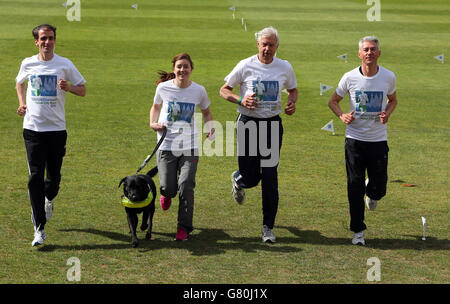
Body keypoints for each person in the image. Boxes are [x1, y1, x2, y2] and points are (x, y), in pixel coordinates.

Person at [219, 27, 298, 243]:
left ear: (277, 46)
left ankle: (268, 228)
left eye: (271, 45)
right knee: (251, 178)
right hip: (248, 124)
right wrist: (240, 100)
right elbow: (224, 89)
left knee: (271, 177)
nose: (267, 48)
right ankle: (239, 179)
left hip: (272, 125)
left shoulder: (284, 67)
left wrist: (291, 103)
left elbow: (293, 90)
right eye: (264, 44)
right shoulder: (245, 65)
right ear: (258, 45)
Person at [15, 24, 86, 246]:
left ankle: (49, 198)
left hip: (56, 130)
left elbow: (82, 89)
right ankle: (39, 229)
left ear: (55, 40)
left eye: (51, 38)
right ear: (36, 41)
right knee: (34, 177)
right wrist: (22, 103)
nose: (47, 42)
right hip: (33, 130)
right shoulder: (28, 63)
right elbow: (19, 82)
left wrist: (68, 88)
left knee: (53, 179)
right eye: (43, 38)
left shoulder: (65, 64)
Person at [328, 36, 397, 246]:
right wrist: (342, 116)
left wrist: (387, 113)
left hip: (378, 141)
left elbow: (393, 101)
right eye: (365, 49)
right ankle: (358, 231)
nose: (369, 52)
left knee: (379, 189)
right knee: (354, 185)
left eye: (373, 49)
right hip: (354, 141)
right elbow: (333, 101)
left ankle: (373, 192)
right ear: (359, 54)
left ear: (379, 53)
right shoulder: (349, 77)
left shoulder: (388, 77)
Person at [150, 53, 214, 241]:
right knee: (168, 187)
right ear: (174, 69)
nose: (182, 70)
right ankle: (167, 195)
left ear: (191, 69)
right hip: (166, 144)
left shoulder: (199, 91)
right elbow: (155, 107)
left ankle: (183, 228)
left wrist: (210, 128)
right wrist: (153, 123)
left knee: (186, 185)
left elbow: (207, 112)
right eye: (179, 66)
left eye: (186, 66)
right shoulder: (163, 88)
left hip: (190, 145)